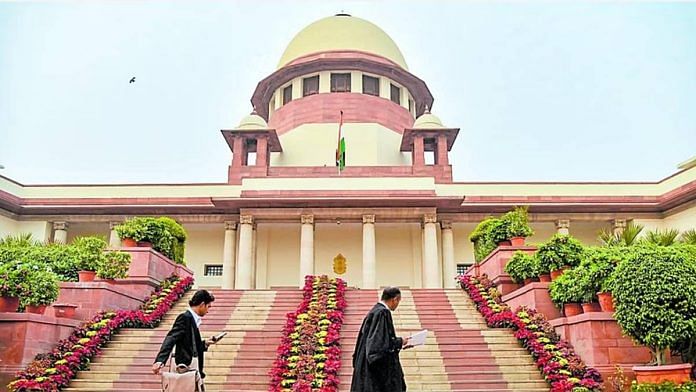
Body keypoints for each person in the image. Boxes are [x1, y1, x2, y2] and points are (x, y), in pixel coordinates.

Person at [350, 286, 411, 392]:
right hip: (375, 376)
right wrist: (400, 342)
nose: (397, 304)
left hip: (364, 367)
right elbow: (378, 346)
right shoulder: (382, 313)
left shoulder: (375, 311)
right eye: (398, 301)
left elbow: (380, 340)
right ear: (394, 299)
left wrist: (400, 343)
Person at [152, 289, 217, 386]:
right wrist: (160, 360)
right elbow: (171, 337)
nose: (208, 311)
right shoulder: (185, 318)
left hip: (192, 371)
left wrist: (205, 343)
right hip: (186, 369)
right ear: (202, 304)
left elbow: (190, 344)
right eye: (208, 307)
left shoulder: (192, 320)